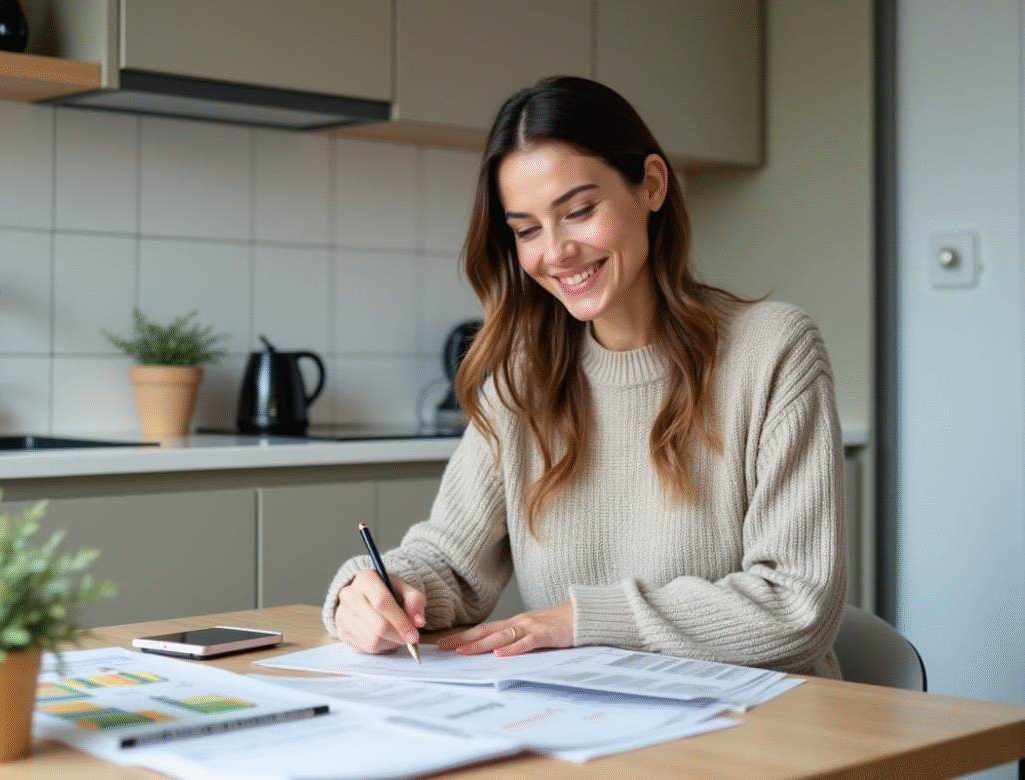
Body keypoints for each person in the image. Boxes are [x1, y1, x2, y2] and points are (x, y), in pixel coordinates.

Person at [323, 76, 846, 678]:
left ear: (650, 185)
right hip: (590, 721)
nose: (556, 252)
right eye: (526, 230)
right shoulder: (526, 377)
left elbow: (797, 604)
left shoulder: (774, 350)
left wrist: (578, 620)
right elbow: (452, 562)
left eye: (578, 212)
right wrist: (375, 595)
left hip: (764, 736)